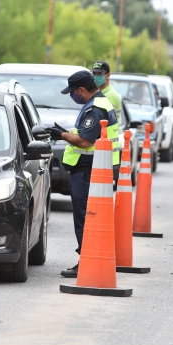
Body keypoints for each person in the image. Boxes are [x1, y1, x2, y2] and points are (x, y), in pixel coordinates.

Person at [45, 71, 120, 278]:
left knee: (86, 217)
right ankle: (91, 258)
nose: (72, 96)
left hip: (87, 169)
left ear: (81, 90)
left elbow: (85, 141)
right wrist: (67, 132)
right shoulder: (100, 103)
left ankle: (86, 260)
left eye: (73, 92)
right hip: (94, 168)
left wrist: (61, 135)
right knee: (90, 217)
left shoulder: (95, 109)